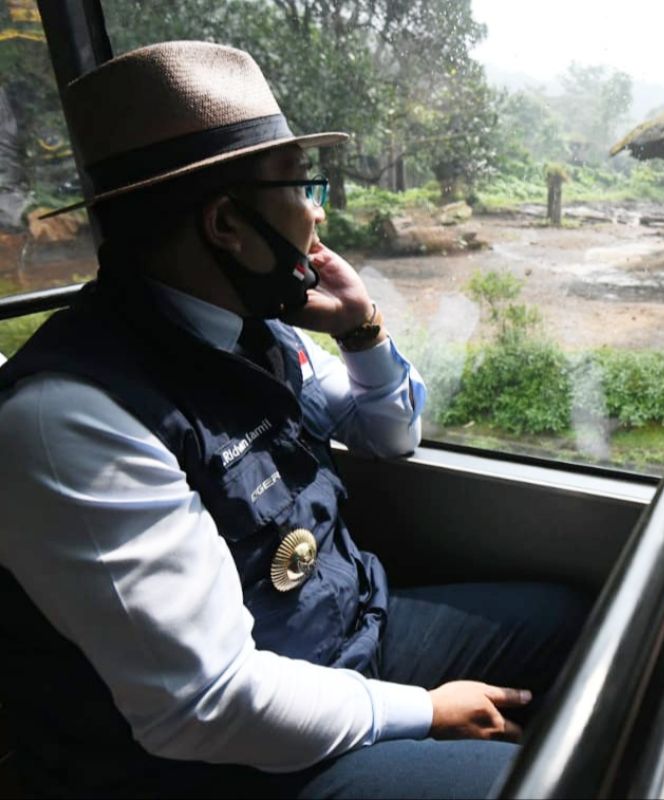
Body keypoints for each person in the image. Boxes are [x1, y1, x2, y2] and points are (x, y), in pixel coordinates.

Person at [0, 41, 587, 799]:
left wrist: (362, 327)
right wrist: (426, 712)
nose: (316, 212)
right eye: (301, 187)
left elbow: (390, 434)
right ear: (226, 224)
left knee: (574, 626)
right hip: (217, 761)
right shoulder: (73, 418)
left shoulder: (255, 331)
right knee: (540, 784)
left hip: (349, 637)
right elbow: (206, 706)